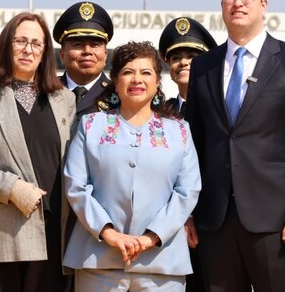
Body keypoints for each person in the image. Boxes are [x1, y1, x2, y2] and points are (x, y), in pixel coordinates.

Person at [185, 0, 285, 292]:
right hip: (214, 217)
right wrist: (187, 212)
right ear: (221, 5)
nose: (237, 3)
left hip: (274, 220)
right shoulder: (204, 66)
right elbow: (192, 144)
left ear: (264, 3)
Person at [0, 12, 76, 292]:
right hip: (1, 230)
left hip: (53, 228)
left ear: (45, 52)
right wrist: (12, 188)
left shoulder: (64, 99)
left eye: (36, 43)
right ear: (6, 45)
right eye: (20, 41)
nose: (28, 49)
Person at [63, 41, 201, 291]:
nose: (137, 79)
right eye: (128, 72)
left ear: (158, 81)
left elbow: (187, 191)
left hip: (161, 262)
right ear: (115, 80)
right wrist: (110, 234)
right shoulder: (91, 125)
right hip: (99, 259)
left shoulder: (179, 130)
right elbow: (75, 185)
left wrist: (151, 237)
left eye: (146, 72)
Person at [158, 16, 216, 292]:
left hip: (214, 223)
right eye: (176, 56)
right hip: (168, 226)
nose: (184, 62)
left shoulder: (222, 111)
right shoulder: (159, 115)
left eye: (193, 56)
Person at [53, 1, 113, 120]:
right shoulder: (45, 92)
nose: (87, 51)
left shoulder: (118, 95)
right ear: (62, 55)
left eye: (95, 45)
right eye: (78, 44)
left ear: (105, 55)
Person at [159, 16, 217, 117]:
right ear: (169, 64)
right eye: (176, 58)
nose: (183, 62)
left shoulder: (218, 109)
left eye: (191, 57)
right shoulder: (162, 112)